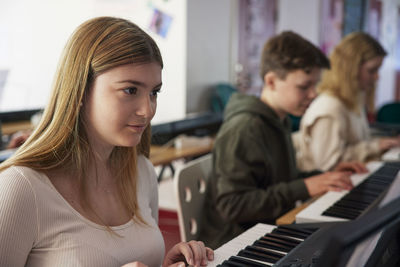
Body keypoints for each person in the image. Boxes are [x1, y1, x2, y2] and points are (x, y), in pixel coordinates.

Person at [0, 16, 213, 267]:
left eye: (154, 92)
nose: (148, 110)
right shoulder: (20, 188)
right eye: (130, 90)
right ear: (80, 90)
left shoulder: (141, 171)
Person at [198, 31, 367, 249]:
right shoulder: (245, 129)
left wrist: (325, 176)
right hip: (234, 244)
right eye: (304, 86)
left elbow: (279, 180)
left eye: (315, 85)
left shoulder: (279, 120)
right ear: (271, 81)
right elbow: (233, 206)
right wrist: (305, 186)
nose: (313, 94)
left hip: (264, 229)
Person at [293, 32, 400, 172]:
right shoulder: (330, 107)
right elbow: (327, 164)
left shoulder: (351, 100)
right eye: (372, 70)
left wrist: (380, 143)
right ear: (351, 69)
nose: (377, 77)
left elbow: (354, 142)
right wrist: (375, 146)